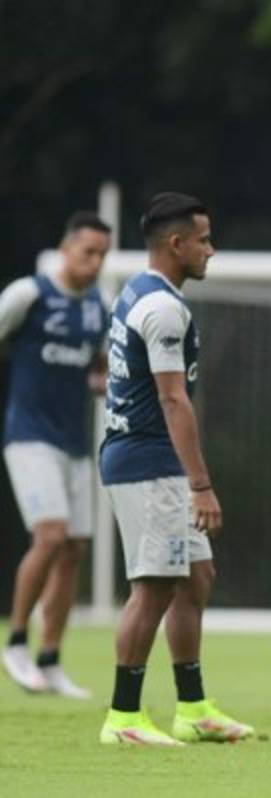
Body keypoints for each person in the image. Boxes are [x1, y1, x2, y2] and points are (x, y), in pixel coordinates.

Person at [97, 192, 254, 746]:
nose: (211, 251)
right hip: (148, 462)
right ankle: (124, 718)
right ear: (176, 243)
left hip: (150, 460)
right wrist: (201, 484)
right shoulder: (163, 307)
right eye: (204, 240)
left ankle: (192, 709)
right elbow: (172, 401)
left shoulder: (137, 292)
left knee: (195, 578)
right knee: (155, 586)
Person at [1, 212, 110, 697]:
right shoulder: (29, 295)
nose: (95, 262)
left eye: (103, 255)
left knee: (73, 549)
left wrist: (103, 380)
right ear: (65, 249)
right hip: (28, 436)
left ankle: (50, 660)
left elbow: (98, 365)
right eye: (89, 252)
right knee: (49, 535)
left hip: (74, 443)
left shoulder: (96, 309)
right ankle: (16, 642)